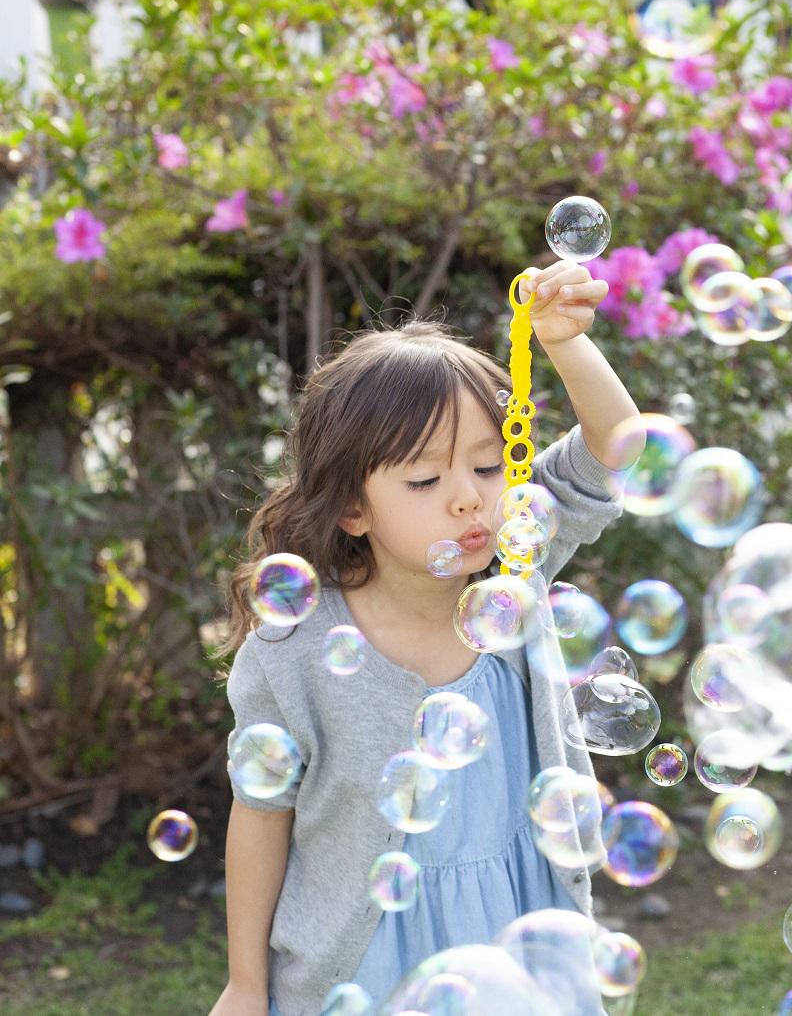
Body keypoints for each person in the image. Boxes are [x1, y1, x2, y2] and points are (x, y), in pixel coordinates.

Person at [209, 262, 638, 1016]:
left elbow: (613, 448)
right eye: (423, 481)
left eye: (485, 464)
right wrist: (246, 983)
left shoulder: (517, 565)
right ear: (350, 508)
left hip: (523, 937)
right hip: (367, 960)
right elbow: (260, 813)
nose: (470, 495)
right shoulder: (295, 651)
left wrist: (563, 343)